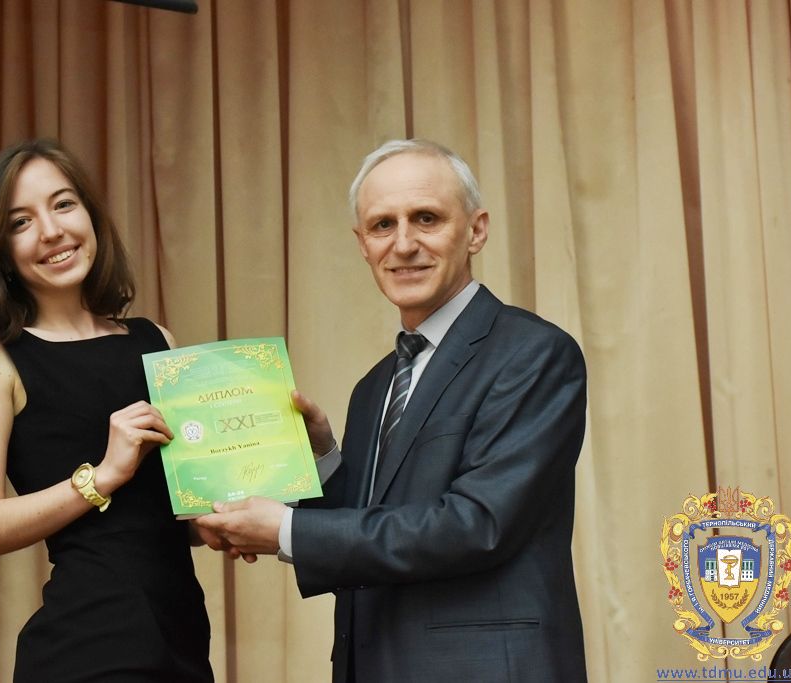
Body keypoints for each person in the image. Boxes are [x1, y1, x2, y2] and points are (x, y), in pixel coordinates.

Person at [196, 139, 588, 682]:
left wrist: (285, 529)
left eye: (426, 218)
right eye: (383, 225)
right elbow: (377, 526)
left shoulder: (533, 353)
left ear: (476, 230)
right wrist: (323, 460)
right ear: (362, 244)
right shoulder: (374, 386)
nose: (403, 244)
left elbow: (478, 524)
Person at [0, 139, 213, 682]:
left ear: (90, 214)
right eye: (20, 222)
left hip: (181, 638)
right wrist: (101, 476)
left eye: (64, 204)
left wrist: (234, 507)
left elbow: (170, 517)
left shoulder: (155, 340)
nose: (52, 230)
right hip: (89, 645)